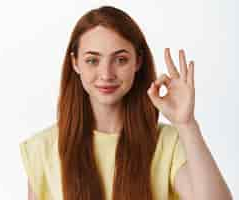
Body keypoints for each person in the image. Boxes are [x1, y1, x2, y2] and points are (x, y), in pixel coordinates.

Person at [19, 5, 233, 200]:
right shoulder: (42, 149)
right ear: (75, 63)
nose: (106, 74)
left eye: (121, 60)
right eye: (92, 60)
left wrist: (187, 124)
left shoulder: (168, 143)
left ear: (137, 61)